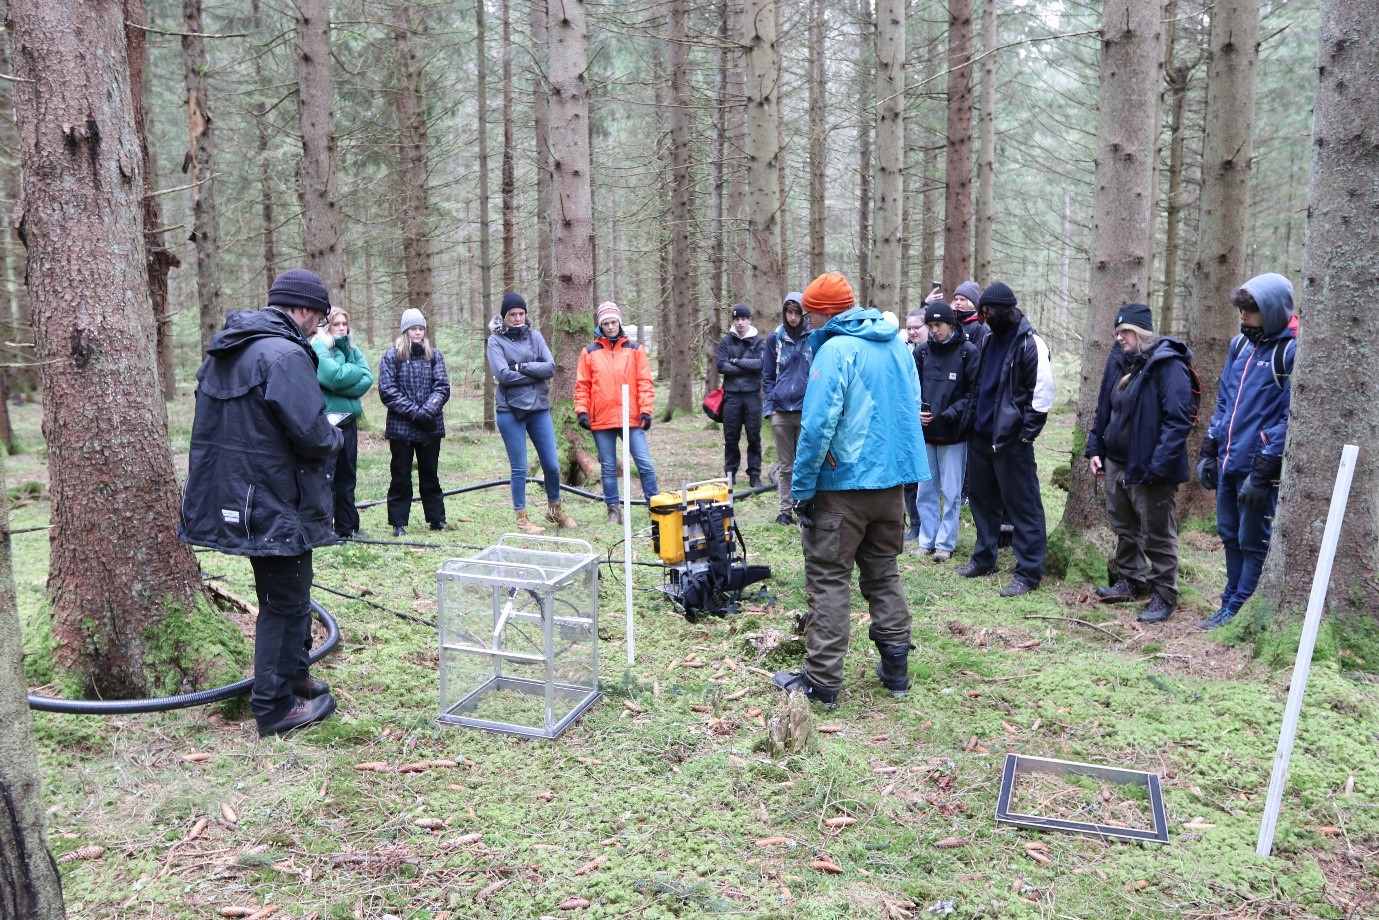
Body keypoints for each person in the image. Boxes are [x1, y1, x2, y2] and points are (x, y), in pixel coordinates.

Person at [179, 267, 343, 737]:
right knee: (282, 601)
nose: (319, 326)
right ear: (306, 310)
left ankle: (295, 675)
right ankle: (273, 707)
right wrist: (334, 435)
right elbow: (310, 434)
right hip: (274, 497)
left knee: (291, 591)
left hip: (239, 495)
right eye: (320, 316)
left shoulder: (227, 350)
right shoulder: (284, 354)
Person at [772, 272, 929, 709]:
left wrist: (802, 489)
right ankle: (896, 670)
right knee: (883, 574)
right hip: (892, 487)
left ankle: (822, 683)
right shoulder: (898, 346)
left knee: (829, 579)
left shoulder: (836, 349)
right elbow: (911, 407)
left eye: (810, 314)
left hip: (843, 488)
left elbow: (818, 424)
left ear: (823, 312)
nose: (806, 322)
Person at [1195, 273, 1296, 630]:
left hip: (1258, 468)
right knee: (1228, 534)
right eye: (1241, 311)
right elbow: (1224, 402)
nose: (1243, 319)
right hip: (1228, 462)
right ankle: (1229, 603)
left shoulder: (1290, 352)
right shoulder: (1239, 346)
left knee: (1252, 541)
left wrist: (1266, 469)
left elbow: (1290, 416)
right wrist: (1210, 447)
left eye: (1250, 312)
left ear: (1270, 312)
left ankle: (1240, 608)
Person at [1084, 303, 1195, 623]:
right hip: (1116, 462)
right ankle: (1132, 580)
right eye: (1117, 332)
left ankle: (1164, 594)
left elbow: (1178, 420)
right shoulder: (1118, 360)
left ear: (1142, 332)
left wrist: (1158, 467)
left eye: (1126, 332)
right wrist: (1095, 448)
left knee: (1157, 533)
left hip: (1150, 468)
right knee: (1124, 527)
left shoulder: (1168, 364)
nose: (1120, 338)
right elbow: (1104, 408)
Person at [955, 282, 1055, 597]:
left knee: (1023, 506)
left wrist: (1025, 436)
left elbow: (1041, 395)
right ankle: (985, 558)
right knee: (983, 503)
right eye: (981, 312)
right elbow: (979, 387)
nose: (983, 317)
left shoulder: (1030, 343)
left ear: (1004, 311)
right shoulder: (988, 341)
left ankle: (1029, 572)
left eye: (988, 312)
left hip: (1012, 442)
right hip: (982, 437)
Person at [487, 291, 577, 534]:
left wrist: (521, 367)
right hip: (510, 410)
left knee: (552, 464)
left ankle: (554, 509)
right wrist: (530, 373)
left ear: (526, 315)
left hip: (538, 407)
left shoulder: (535, 337)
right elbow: (502, 375)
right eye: (512, 314)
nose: (517, 318)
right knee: (519, 467)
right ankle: (522, 517)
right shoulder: (495, 341)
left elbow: (549, 367)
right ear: (505, 317)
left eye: (521, 314)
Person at [574, 301, 658, 525]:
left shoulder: (635, 349)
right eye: (606, 323)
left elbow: (644, 382)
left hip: (631, 417)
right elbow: (583, 385)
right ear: (600, 325)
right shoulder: (590, 352)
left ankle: (655, 506)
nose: (610, 327)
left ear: (619, 322)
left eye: (613, 322)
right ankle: (613, 509)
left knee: (644, 463)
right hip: (601, 419)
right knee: (608, 467)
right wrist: (582, 410)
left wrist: (646, 410)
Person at [915, 300, 979, 562]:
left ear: (951, 324)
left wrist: (955, 412)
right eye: (929, 325)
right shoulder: (921, 353)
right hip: (926, 433)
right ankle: (926, 539)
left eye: (938, 325)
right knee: (925, 491)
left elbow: (974, 392)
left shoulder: (968, 352)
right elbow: (911, 388)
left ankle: (945, 543)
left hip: (954, 435)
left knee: (952, 492)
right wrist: (916, 411)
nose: (933, 330)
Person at [378, 308, 451, 536]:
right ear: (405, 331)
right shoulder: (392, 357)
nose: (417, 333)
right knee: (400, 475)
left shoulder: (435, 356)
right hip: (402, 428)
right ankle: (399, 522)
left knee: (430, 474)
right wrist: (414, 412)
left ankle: (436, 518)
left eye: (421, 328)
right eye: (413, 329)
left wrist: (427, 410)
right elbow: (388, 391)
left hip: (430, 426)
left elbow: (442, 387)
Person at [311, 307, 373, 539]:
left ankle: (347, 527)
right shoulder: (318, 347)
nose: (341, 328)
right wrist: (348, 376)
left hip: (348, 421)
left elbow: (367, 379)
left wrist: (342, 379)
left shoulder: (352, 349)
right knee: (328, 476)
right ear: (327, 326)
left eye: (344, 324)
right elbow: (332, 376)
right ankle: (325, 528)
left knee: (347, 476)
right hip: (327, 423)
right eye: (336, 324)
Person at [761, 292, 812, 525]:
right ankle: (785, 510)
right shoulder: (775, 338)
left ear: (803, 313)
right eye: (789, 312)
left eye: (797, 312)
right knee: (786, 465)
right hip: (780, 411)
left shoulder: (814, 337)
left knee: (806, 462)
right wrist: (770, 407)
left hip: (805, 409)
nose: (792, 317)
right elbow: (768, 374)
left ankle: (805, 507)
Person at [716, 304, 765, 488]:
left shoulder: (759, 342)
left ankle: (754, 474)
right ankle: (730, 474)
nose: (740, 323)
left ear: (750, 320)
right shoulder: (725, 342)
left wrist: (736, 362)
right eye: (737, 319)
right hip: (732, 396)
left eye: (744, 319)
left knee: (754, 436)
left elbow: (759, 364)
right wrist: (745, 367)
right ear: (733, 321)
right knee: (731, 437)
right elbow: (721, 365)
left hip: (752, 395)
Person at [901, 309, 930, 540]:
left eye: (916, 327)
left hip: (931, 422)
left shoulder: (933, 353)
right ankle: (915, 525)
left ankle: (928, 527)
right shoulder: (902, 351)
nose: (912, 331)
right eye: (909, 327)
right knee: (909, 480)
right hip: (908, 421)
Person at [929, 280, 987, 348]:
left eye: (962, 300)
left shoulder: (978, 326)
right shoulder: (948, 320)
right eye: (956, 299)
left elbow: (978, 354)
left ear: (972, 303)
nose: (958, 302)